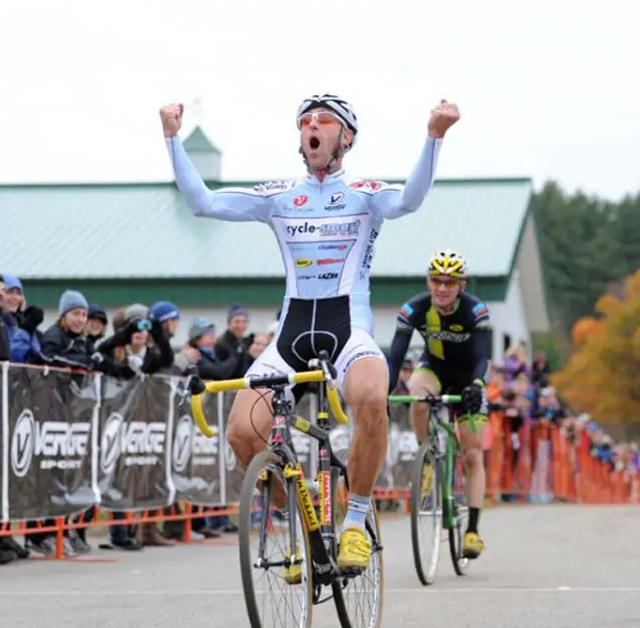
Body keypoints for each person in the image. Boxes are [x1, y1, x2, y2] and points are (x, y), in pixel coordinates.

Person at [160, 94, 459, 575]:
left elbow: (411, 199)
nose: (311, 127)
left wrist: (434, 136)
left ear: (347, 137)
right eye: (304, 121)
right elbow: (202, 204)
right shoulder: (280, 195)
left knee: (370, 397)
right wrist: (172, 138)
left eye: (323, 120)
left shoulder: (364, 193)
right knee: (241, 433)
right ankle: (299, 522)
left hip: (349, 329)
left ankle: (356, 524)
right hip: (290, 333)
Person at [385, 249, 491, 558]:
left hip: (470, 379)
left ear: (462, 285)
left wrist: (478, 385)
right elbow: (395, 356)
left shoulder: (476, 310)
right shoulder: (413, 309)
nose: (442, 288)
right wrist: (386, 390)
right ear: (428, 282)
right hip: (435, 370)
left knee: (472, 454)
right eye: (436, 281)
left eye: (450, 282)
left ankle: (472, 530)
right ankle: (427, 453)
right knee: (417, 390)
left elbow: (484, 355)